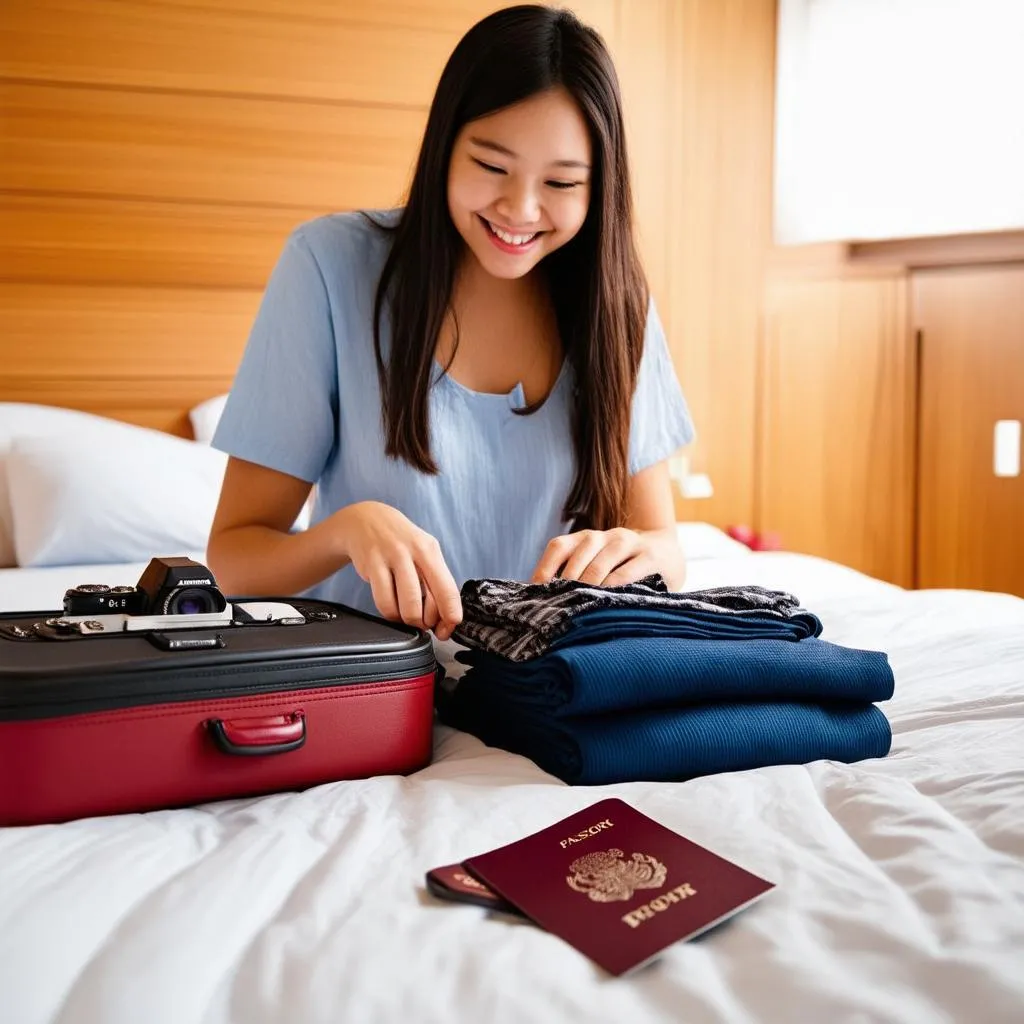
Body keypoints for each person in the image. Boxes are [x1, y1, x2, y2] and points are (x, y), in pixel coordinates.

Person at [207, 3, 694, 644]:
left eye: (561, 182)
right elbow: (234, 560)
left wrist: (646, 557)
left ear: (597, 188)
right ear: (444, 145)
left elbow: (665, 547)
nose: (520, 209)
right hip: (375, 684)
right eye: (491, 166)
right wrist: (345, 530)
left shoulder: (615, 301)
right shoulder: (330, 264)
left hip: (554, 689)